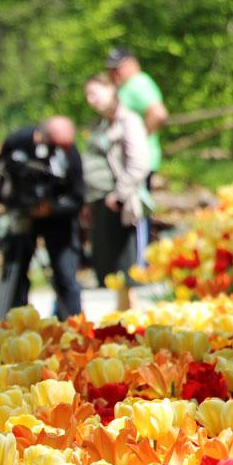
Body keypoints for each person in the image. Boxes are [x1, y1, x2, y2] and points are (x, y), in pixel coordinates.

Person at [0, 116, 86, 326]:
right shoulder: (18, 141)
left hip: (59, 220)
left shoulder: (70, 152)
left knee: (65, 275)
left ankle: (74, 326)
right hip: (22, 216)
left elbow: (78, 196)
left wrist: (52, 207)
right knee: (16, 274)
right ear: (42, 136)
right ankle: (13, 325)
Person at [82, 74, 151, 312]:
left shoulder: (128, 121)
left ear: (110, 89)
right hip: (100, 200)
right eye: (88, 96)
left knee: (126, 265)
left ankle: (132, 318)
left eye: (95, 93)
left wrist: (119, 194)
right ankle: (122, 316)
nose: (91, 100)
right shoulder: (102, 124)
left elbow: (139, 163)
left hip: (121, 203)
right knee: (109, 266)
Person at [107, 47, 167, 261]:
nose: (114, 74)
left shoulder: (138, 83)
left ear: (132, 63)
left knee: (138, 213)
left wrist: (139, 138)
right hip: (133, 160)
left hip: (139, 161)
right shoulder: (130, 85)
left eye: (118, 68)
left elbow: (158, 113)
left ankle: (141, 265)